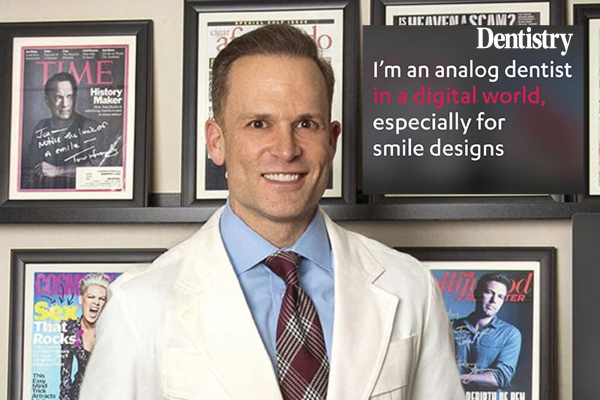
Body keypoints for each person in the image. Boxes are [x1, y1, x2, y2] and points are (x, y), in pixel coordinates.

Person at [79, 24, 464, 400]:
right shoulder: (138, 303)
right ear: (216, 142)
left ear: (331, 141)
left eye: (306, 124)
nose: (286, 149)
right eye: (259, 123)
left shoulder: (410, 287)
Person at [21, 72, 112, 189]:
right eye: (58, 97)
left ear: (75, 98)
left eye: (69, 97)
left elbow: (101, 167)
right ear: (47, 101)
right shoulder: (41, 127)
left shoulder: (91, 128)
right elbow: (30, 168)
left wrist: (58, 171)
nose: (65, 104)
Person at [452, 273, 522, 390]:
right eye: (489, 292)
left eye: (500, 296)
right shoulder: (450, 327)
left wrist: (455, 378)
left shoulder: (510, 334)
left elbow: (500, 378)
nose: (494, 300)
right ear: (476, 293)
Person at [60, 273, 111, 400]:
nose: (96, 302)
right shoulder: (70, 328)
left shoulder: (112, 329)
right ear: (81, 299)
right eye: (91, 297)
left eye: (102, 299)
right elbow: (65, 375)